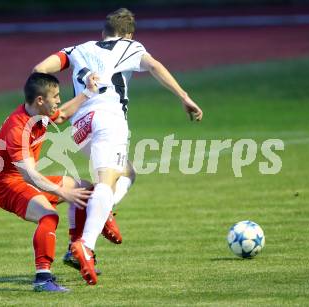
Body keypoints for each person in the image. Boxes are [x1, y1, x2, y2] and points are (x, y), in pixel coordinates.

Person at [33, 8, 203, 285]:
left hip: (79, 126)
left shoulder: (78, 48)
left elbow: (39, 69)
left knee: (127, 174)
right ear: (129, 34)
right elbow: (155, 66)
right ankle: (84, 246)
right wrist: (184, 96)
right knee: (107, 182)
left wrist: (44, 102)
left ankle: (101, 213)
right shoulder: (130, 46)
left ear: (103, 33)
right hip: (107, 119)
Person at [0, 72, 99, 292]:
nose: (59, 100)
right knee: (48, 215)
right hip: (9, 186)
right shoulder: (17, 129)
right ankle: (42, 278)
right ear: (40, 100)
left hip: (24, 180)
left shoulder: (40, 114)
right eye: (55, 96)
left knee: (85, 188)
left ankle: (74, 252)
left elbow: (61, 115)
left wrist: (87, 92)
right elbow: (29, 176)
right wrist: (62, 192)